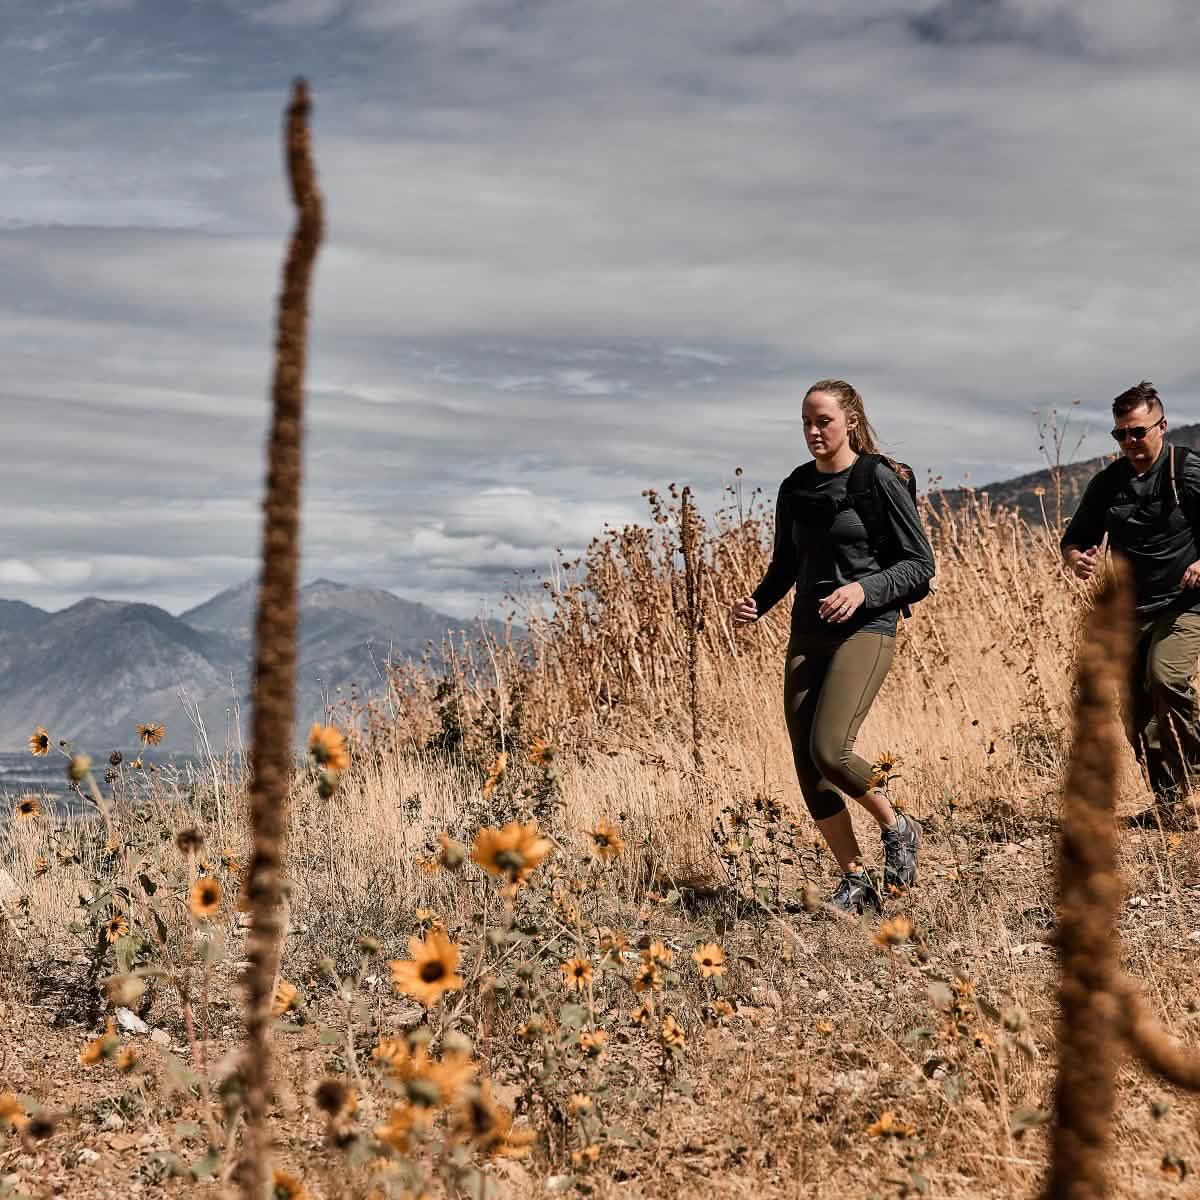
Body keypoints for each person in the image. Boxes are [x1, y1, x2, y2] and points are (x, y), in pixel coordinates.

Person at [730, 379, 936, 914]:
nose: (814, 431)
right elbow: (784, 566)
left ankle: (897, 824)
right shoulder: (795, 487)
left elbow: (919, 566)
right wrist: (758, 602)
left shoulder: (878, 479)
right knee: (806, 764)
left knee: (830, 748)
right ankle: (856, 881)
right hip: (807, 632)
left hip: (867, 629)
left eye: (823, 421)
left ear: (850, 421)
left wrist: (863, 590)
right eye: (806, 422)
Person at [1061, 380, 1200, 822]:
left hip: (1184, 603)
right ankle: (1170, 801)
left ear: (1160, 425)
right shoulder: (1108, 482)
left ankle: (1196, 783)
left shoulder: (1187, 470)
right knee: (1134, 708)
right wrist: (1077, 559)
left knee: (1166, 677)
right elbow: (1076, 538)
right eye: (1121, 434)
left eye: (1137, 432)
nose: (1130, 442)